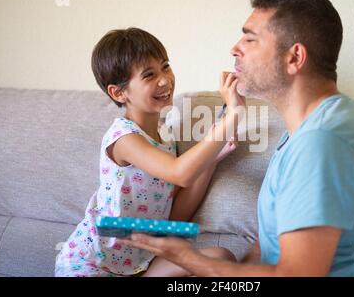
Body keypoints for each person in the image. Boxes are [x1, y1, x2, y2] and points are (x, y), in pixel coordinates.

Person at [120, 0, 354, 276]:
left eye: (250, 40)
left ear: (294, 58)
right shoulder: (300, 135)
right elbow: (264, 249)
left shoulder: (326, 141)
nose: (234, 49)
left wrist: (191, 260)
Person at [54, 28, 242, 277]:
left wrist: (210, 161)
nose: (165, 80)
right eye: (149, 75)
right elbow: (181, 174)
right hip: (91, 265)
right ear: (119, 92)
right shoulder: (124, 139)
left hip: (138, 266)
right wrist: (233, 113)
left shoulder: (165, 139)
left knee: (222, 258)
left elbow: (174, 219)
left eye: (165, 67)